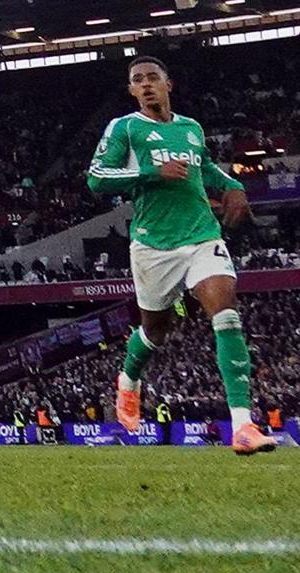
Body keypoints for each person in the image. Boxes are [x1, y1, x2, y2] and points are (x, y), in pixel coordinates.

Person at [89, 56, 274, 455]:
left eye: (152, 77)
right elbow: (97, 178)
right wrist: (151, 173)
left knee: (225, 314)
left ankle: (242, 425)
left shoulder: (190, 128)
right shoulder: (125, 128)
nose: (146, 84)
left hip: (202, 234)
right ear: (132, 91)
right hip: (154, 245)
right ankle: (129, 379)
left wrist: (233, 184)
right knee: (156, 330)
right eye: (138, 81)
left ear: (168, 84)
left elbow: (203, 167)